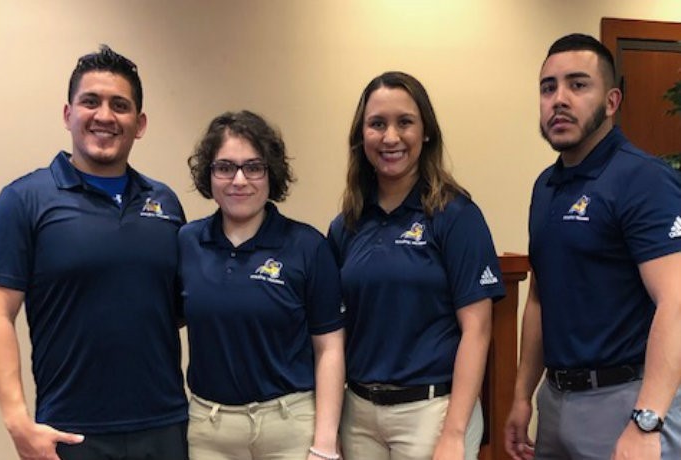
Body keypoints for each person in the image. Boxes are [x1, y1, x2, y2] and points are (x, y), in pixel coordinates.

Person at [0, 45, 188, 460]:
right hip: (70, 434)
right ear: (68, 115)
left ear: (139, 124)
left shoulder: (165, 203)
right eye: (90, 101)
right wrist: (16, 420)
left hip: (165, 427)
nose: (104, 116)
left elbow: (184, 307)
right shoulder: (24, 200)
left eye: (120, 105)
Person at [504, 33, 681, 460]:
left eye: (578, 85)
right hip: (557, 401)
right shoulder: (546, 187)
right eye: (548, 88)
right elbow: (540, 301)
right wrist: (522, 395)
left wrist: (647, 420)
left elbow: (676, 300)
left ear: (612, 101)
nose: (559, 99)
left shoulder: (643, 179)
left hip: (627, 401)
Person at [328, 71, 505, 460]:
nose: (391, 137)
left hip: (432, 412)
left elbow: (477, 329)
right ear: (361, 136)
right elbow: (334, 331)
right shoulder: (346, 225)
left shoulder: (456, 216)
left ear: (426, 132)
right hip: (359, 413)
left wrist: (454, 433)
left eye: (405, 122)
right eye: (377, 124)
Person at [180, 110, 345, 460]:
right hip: (210, 431)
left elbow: (329, 348)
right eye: (225, 167)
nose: (239, 180)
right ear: (208, 175)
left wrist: (325, 444)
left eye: (253, 167)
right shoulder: (186, 243)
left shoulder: (307, 246)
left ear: (271, 174)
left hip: (290, 426)